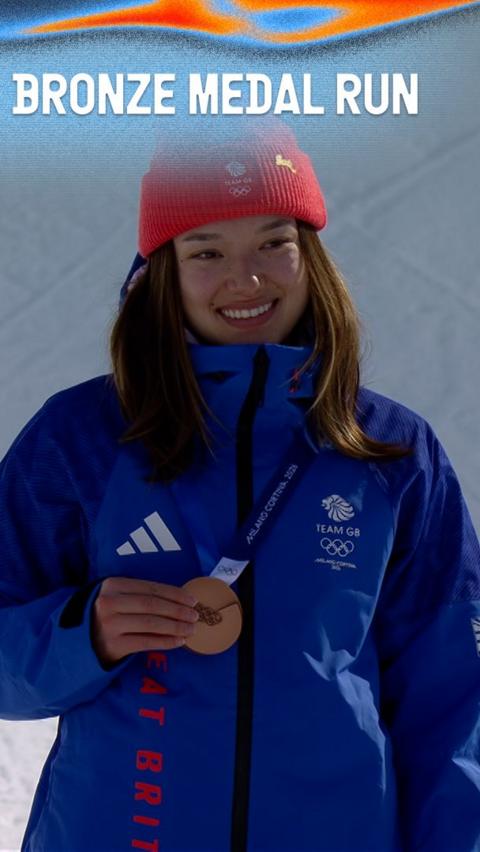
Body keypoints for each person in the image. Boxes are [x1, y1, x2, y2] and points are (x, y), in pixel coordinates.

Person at [0, 120, 479, 852]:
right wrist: (80, 634)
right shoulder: (82, 438)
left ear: (308, 253)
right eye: (206, 251)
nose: (245, 278)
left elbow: (454, 702)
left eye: (272, 242)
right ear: (163, 268)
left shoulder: (390, 451)